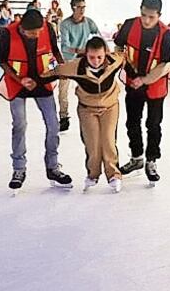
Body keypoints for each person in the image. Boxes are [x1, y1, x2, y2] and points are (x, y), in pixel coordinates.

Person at [0, 9, 72, 193]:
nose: (36, 35)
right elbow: (1, 60)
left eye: (38, 32)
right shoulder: (7, 33)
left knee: (53, 126)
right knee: (20, 124)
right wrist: (19, 79)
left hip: (42, 82)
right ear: (22, 28)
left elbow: (54, 50)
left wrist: (61, 70)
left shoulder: (47, 28)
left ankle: (53, 167)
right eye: (32, 33)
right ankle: (18, 169)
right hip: (18, 84)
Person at [44, 36, 125, 193]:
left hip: (110, 107)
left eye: (100, 57)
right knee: (92, 143)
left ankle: (114, 174)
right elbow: (52, 72)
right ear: (85, 54)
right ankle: (93, 174)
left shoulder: (114, 61)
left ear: (106, 53)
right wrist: (32, 80)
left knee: (108, 140)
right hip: (87, 108)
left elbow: (127, 58)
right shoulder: (75, 67)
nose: (96, 61)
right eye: (92, 57)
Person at [114, 0, 170, 185]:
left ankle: (151, 160)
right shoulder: (129, 25)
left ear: (159, 15)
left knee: (153, 125)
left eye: (151, 17)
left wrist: (145, 80)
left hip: (155, 86)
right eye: (144, 15)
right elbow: (118, 45)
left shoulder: (166, 34)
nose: (147, 20)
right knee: (132, 122)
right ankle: (136, 158)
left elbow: (166, 65)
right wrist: (118, 60)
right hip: (133, 83)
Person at [57, 0, 101, 132]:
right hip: (68, 61)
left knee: (90, 86)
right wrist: (79, 50)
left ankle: (94, 113)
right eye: (79, 7)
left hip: (84, 60)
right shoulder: (65, 24)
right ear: (73, 8)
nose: (82, 10)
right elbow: (65, 46)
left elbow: (98, 36)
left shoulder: (89, 22)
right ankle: (64, 117)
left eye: (84, 7)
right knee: (63, 90)